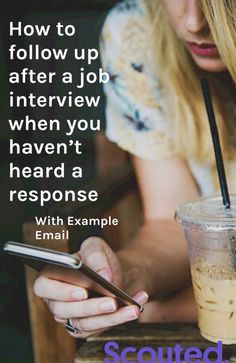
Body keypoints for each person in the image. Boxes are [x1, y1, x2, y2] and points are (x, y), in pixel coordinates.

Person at [33, 0, 236, 338]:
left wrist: (162, 311)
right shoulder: (136, 33)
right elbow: (169, 225)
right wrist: (122, 277)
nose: (193, 22)